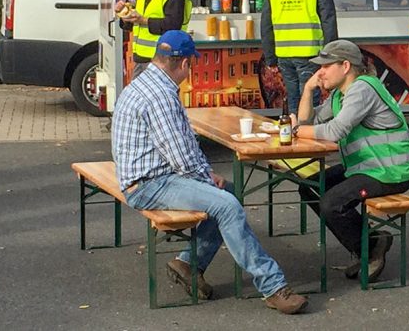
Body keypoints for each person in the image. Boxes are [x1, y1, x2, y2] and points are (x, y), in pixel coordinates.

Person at [111, 30, 307, 315]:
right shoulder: (161, 96)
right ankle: (273, 286)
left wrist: (206, 175)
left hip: (145, 176)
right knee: (227, 205)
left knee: (226, 192)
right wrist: (204, 178)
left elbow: (183, 148)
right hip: (149, 184)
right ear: (185, 64)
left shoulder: (145, 84)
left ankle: (189, 263)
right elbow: (180, 154)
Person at [293, 40, 409, 282]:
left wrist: (294, 132)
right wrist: (307, 90)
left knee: (331, 203)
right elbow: (310, 122)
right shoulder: (341, 94)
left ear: (345, 66)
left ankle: (370, 248)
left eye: (326, 66)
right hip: (365, 166)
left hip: (389, 171)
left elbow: (333, 131)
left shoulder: (362, 89)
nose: (320, 72)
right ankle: (369, 245)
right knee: (309, 186)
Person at [261, 0, 337, 113]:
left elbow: (266, 25)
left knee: (293, 98)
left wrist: (270, 58)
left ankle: (295, 133)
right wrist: (331, 56)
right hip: (310, 54)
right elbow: (329, 22)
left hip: (284, 55)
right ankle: (308, 134)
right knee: (311, 99)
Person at [114, 0, 191, 80]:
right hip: (141, 58)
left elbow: (173, 25)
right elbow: (133, 25)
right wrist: (124, 16)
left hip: (161, 61)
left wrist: (143, 20)